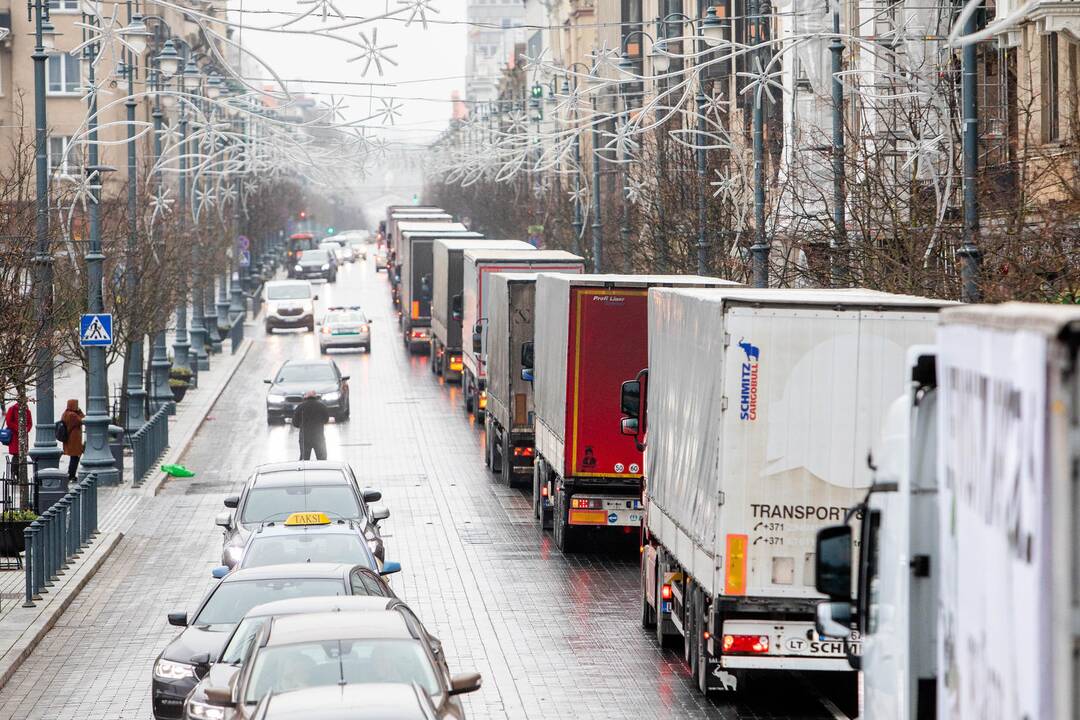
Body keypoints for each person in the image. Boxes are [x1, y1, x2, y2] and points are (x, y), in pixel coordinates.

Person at [292, 390, 329, 461]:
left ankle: (304, 472)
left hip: (305, 438)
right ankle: (322, 471)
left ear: (305, 396)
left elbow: (295, 423)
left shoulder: (300, 407)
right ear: (315, 396)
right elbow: (326, 420)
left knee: (304, 460)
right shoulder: (322, 406)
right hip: (319, 437)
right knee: (322, 459)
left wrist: (302, 425)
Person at [3, 401, 32, 480]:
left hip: (23, 436)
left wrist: (26, 430)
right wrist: (19, 429)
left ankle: (19, 475)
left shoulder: (27, 411)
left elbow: (30, 423)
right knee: (16, 455)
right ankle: (14, 474)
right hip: (15, 436)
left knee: (22, 455)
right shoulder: (12, 409)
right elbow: (9, 422)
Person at [60, 399, 85, 481]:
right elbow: (82, 420)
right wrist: (80, 411)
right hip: (74, 440)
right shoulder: (73, 415)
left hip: (69, 439)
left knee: (73, 457)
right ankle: (71, 475)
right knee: (75, 457)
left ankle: (71, 474)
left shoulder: (65, 414)